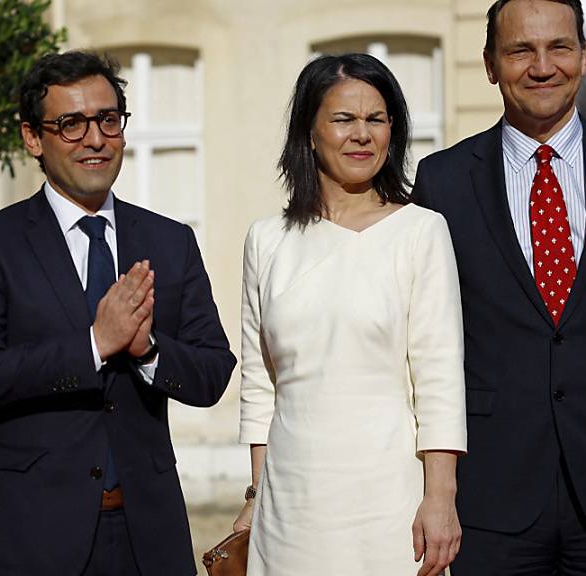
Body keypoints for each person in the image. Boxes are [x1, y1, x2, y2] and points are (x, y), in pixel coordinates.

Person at [411, 1, 586, 573]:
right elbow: (430, 325)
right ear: (491, 64)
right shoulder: (442, 182)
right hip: (493, 486)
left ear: (584, 58)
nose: (542, 66)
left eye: (559, 47)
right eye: (521, 50)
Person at [0, 51, 236, 576]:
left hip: (146, 534)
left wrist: (147, 350)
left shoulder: (169, 242)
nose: (95, 138)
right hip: (28, 532)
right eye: (71, 124)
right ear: (33, 138)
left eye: (108, 119)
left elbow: (214, 372)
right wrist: (94, 345)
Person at [233, 53, 467, 576]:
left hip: (392, 505)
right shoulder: (266, 240)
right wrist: (256, 496)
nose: (361, 134)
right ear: (309, 133)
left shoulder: (422, 231)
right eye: (343, 119)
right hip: (289, 505)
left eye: (376, 119)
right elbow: (259, 385)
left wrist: (441, 498)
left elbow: (439, 377)